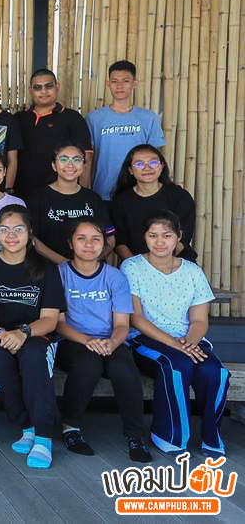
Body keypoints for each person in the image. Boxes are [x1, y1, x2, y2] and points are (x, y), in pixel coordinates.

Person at [122, 211, 227, 457]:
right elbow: (136, 318)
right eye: (153, 235)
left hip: (188, 339)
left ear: (178, 237)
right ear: (144, 237)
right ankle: (170, 435)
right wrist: (175, 345)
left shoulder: (192, 271)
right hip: (146, 339)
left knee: (215, 371)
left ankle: (212, 438)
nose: (160, 242)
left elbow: (199, 320)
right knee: (177, 365)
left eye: (167, 236)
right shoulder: (132, 267)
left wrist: (189, 342)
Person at [0, 205, 65, 469]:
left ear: (30, 233)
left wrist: (23, 333)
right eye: (4, 229)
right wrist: (2, 333)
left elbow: (50, 319)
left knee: (34, 358)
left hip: (35, 335)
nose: (11, 235)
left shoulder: (46, 268)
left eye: (18, 229)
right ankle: (27, 426)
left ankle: (44, 436)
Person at [55, 219, 152, 462]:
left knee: (123, 367)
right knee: (88, 364)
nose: (89, 244)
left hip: (110, 341)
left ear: (104, 245)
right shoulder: (59, 274)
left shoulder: (115, 277)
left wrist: (112, 343)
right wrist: (88, 340)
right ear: (70, 243)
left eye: (96, 239)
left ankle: (135, 436)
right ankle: (71, 427)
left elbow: (122, 324)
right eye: (81, 238)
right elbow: (58, 323)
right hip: (72, 341)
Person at [86, 60, 165, 201]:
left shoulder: (149, 118)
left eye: (125, 81)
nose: (119, 86)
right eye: (114, 81)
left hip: (141, 191)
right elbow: (88, 157)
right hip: (103, 192)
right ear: (108, 84)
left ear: (134, 84)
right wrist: (86, 187)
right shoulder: (94, 118)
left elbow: (155, 156)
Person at [27, 143, 115, 265]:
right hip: (50, 268)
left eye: (77, 159)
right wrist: (66, 264)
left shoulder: (93, 198)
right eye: (63, 159)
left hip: (88, 269)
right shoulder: (38, 197)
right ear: (54, 165)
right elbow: (32, 238)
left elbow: (110, 237)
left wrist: (89, 261)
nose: (70, 164)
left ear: (84, 165)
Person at [15, 69, 92, 199]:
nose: (43, 91)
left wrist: (83, 196)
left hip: (61, 195)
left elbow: (86, 159)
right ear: (30, 90)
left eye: (49, 86)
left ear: (57, 87)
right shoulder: (19, 119)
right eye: (38, 87)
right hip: (22, 193)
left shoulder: (73, 118)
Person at [111, 144, 196, 262]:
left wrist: (160, 264)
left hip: (177, 261)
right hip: (137, 265)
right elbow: (120, 242)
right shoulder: (121, 201)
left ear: (162, 166)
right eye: (139, 164)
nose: (147, 168)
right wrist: (138, 266)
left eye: (153, 163)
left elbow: (183, 237)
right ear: (130, 170)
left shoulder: (180, 196)